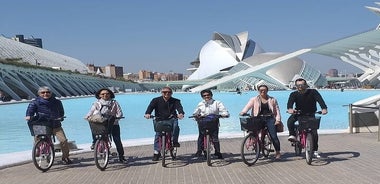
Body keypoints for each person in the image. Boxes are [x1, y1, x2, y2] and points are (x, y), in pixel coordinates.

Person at [25, 86, 72, 164]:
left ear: (51, 93)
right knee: (37, 138)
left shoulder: (57, 102)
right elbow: (30, 111)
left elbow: (61, 112)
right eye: (43, 92)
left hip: (55, 124)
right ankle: (37, 149)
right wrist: (29, 116)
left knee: (63, 141)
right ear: (39, 94)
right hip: (42, 124)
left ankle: (65, 157)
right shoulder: (35, 102)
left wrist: (60, 117)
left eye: (47, 92)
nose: (45, 94)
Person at [287, 78, 328, 158]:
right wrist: (290, 109)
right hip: (299, 113)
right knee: (290, 121)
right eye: (298, 85)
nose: (300, 86)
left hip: (310, 114)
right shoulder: (293, 94)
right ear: (296, 86)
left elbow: (320, 100)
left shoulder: (313, 92)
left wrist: (324, 108)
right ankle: (292, 135)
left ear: (306, 85)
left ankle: (315, 150)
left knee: (314, 133)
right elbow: (290, 103)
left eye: (302, 85)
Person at [239, 84, 282, 159]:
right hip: (258, 118)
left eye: (264, 90)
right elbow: (248, 106)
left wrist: (278, 120)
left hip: (270, 118)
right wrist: (243, 112)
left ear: (267, 91)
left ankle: (278, 152)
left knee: (273, 136)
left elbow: (277, 111)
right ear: (258, 91)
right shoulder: (254, 99)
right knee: (253, 132)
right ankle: (257, 147)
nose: (263, 91)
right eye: (261, 90)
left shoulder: (272, 99)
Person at [85, 88, 126, 163]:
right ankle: (95, 143)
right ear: (99, 95)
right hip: (102, 123)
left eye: (107, 93)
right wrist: (87, 116)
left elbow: (119, 113)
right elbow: (91, 111)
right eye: (102, 94)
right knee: (94, 128)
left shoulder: (114, 103)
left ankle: (121, 156)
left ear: (110, 94)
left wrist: (116, 118)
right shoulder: (96, 103)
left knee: (117, 140)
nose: (105, 95)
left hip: (113, 124)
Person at [144, 86, 184, 161]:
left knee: (175, 127)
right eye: (165, 92)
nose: (167, 93)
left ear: (171, 93)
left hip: (171, 118)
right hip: (159, 119)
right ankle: (156, 152)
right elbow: (150, 107)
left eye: (169, 92)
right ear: (161, 93)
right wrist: (147, 113)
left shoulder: (176, 101)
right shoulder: (155, 100)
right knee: (158, 134)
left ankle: (174, 142)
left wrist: (181, 113)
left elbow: (179, 108)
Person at [192, 89, 229, 159]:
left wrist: (224, 114)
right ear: (202, 97)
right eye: (204, 95)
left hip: (213, 123)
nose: (206, 96)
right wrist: (195, 116)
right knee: (201, 136)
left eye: (208, 95)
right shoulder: (200, 104)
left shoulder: (217, 103)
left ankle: (217, 152)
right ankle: (199, 150)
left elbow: (223, 110)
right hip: (203, 122)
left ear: (211, 95)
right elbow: (196, 112)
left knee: (215, 138)